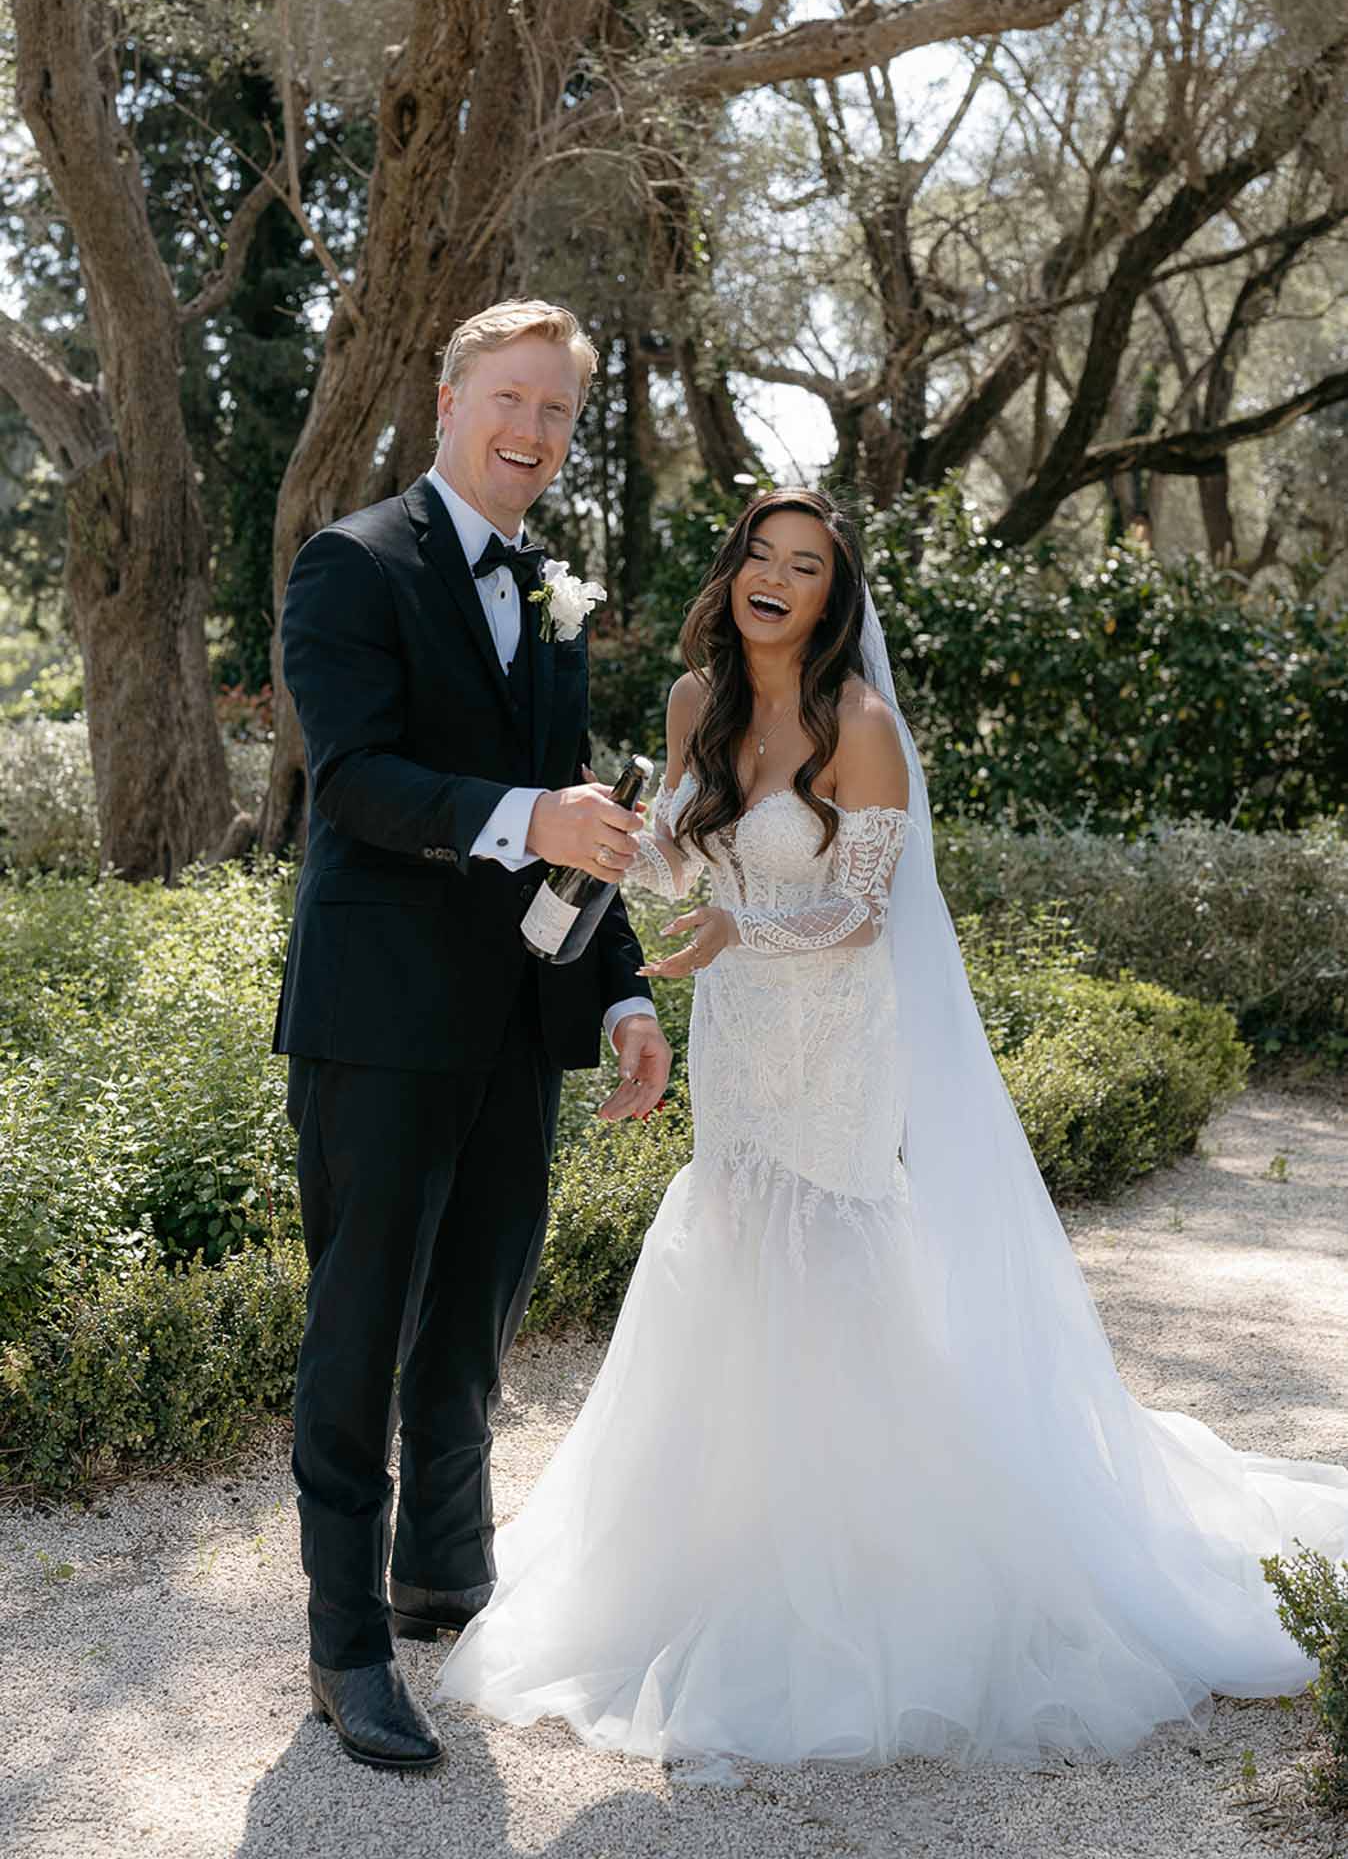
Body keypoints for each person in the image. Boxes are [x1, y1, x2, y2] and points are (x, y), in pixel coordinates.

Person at [433, 486, 1348, 1772]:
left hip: (834, 1037)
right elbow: (684, 871)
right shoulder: (694, 705)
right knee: (737, 1232)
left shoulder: (856, 725)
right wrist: (609, 844)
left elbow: (864, 915)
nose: (774, 575)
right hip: (739, 1036)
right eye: (760, 552)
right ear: (736, 572)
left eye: (804, 564)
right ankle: (728, 1542)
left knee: (834, 1244)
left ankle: (862, 1559)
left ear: (828, 597)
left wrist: (749, 929)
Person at [273, 298, 673, 1772]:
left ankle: (445, 1573)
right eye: (513, 398)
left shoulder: (556, 585)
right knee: (362, 1324)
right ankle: (346, 1646)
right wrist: (525, 817)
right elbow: (360, 781)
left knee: (481, 1312)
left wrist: (620, 991)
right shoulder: (353, 561)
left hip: (517, 1022)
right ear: (448, 402)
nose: (535, 431)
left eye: (561, 410)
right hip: (379, 1022)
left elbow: (583, 812)